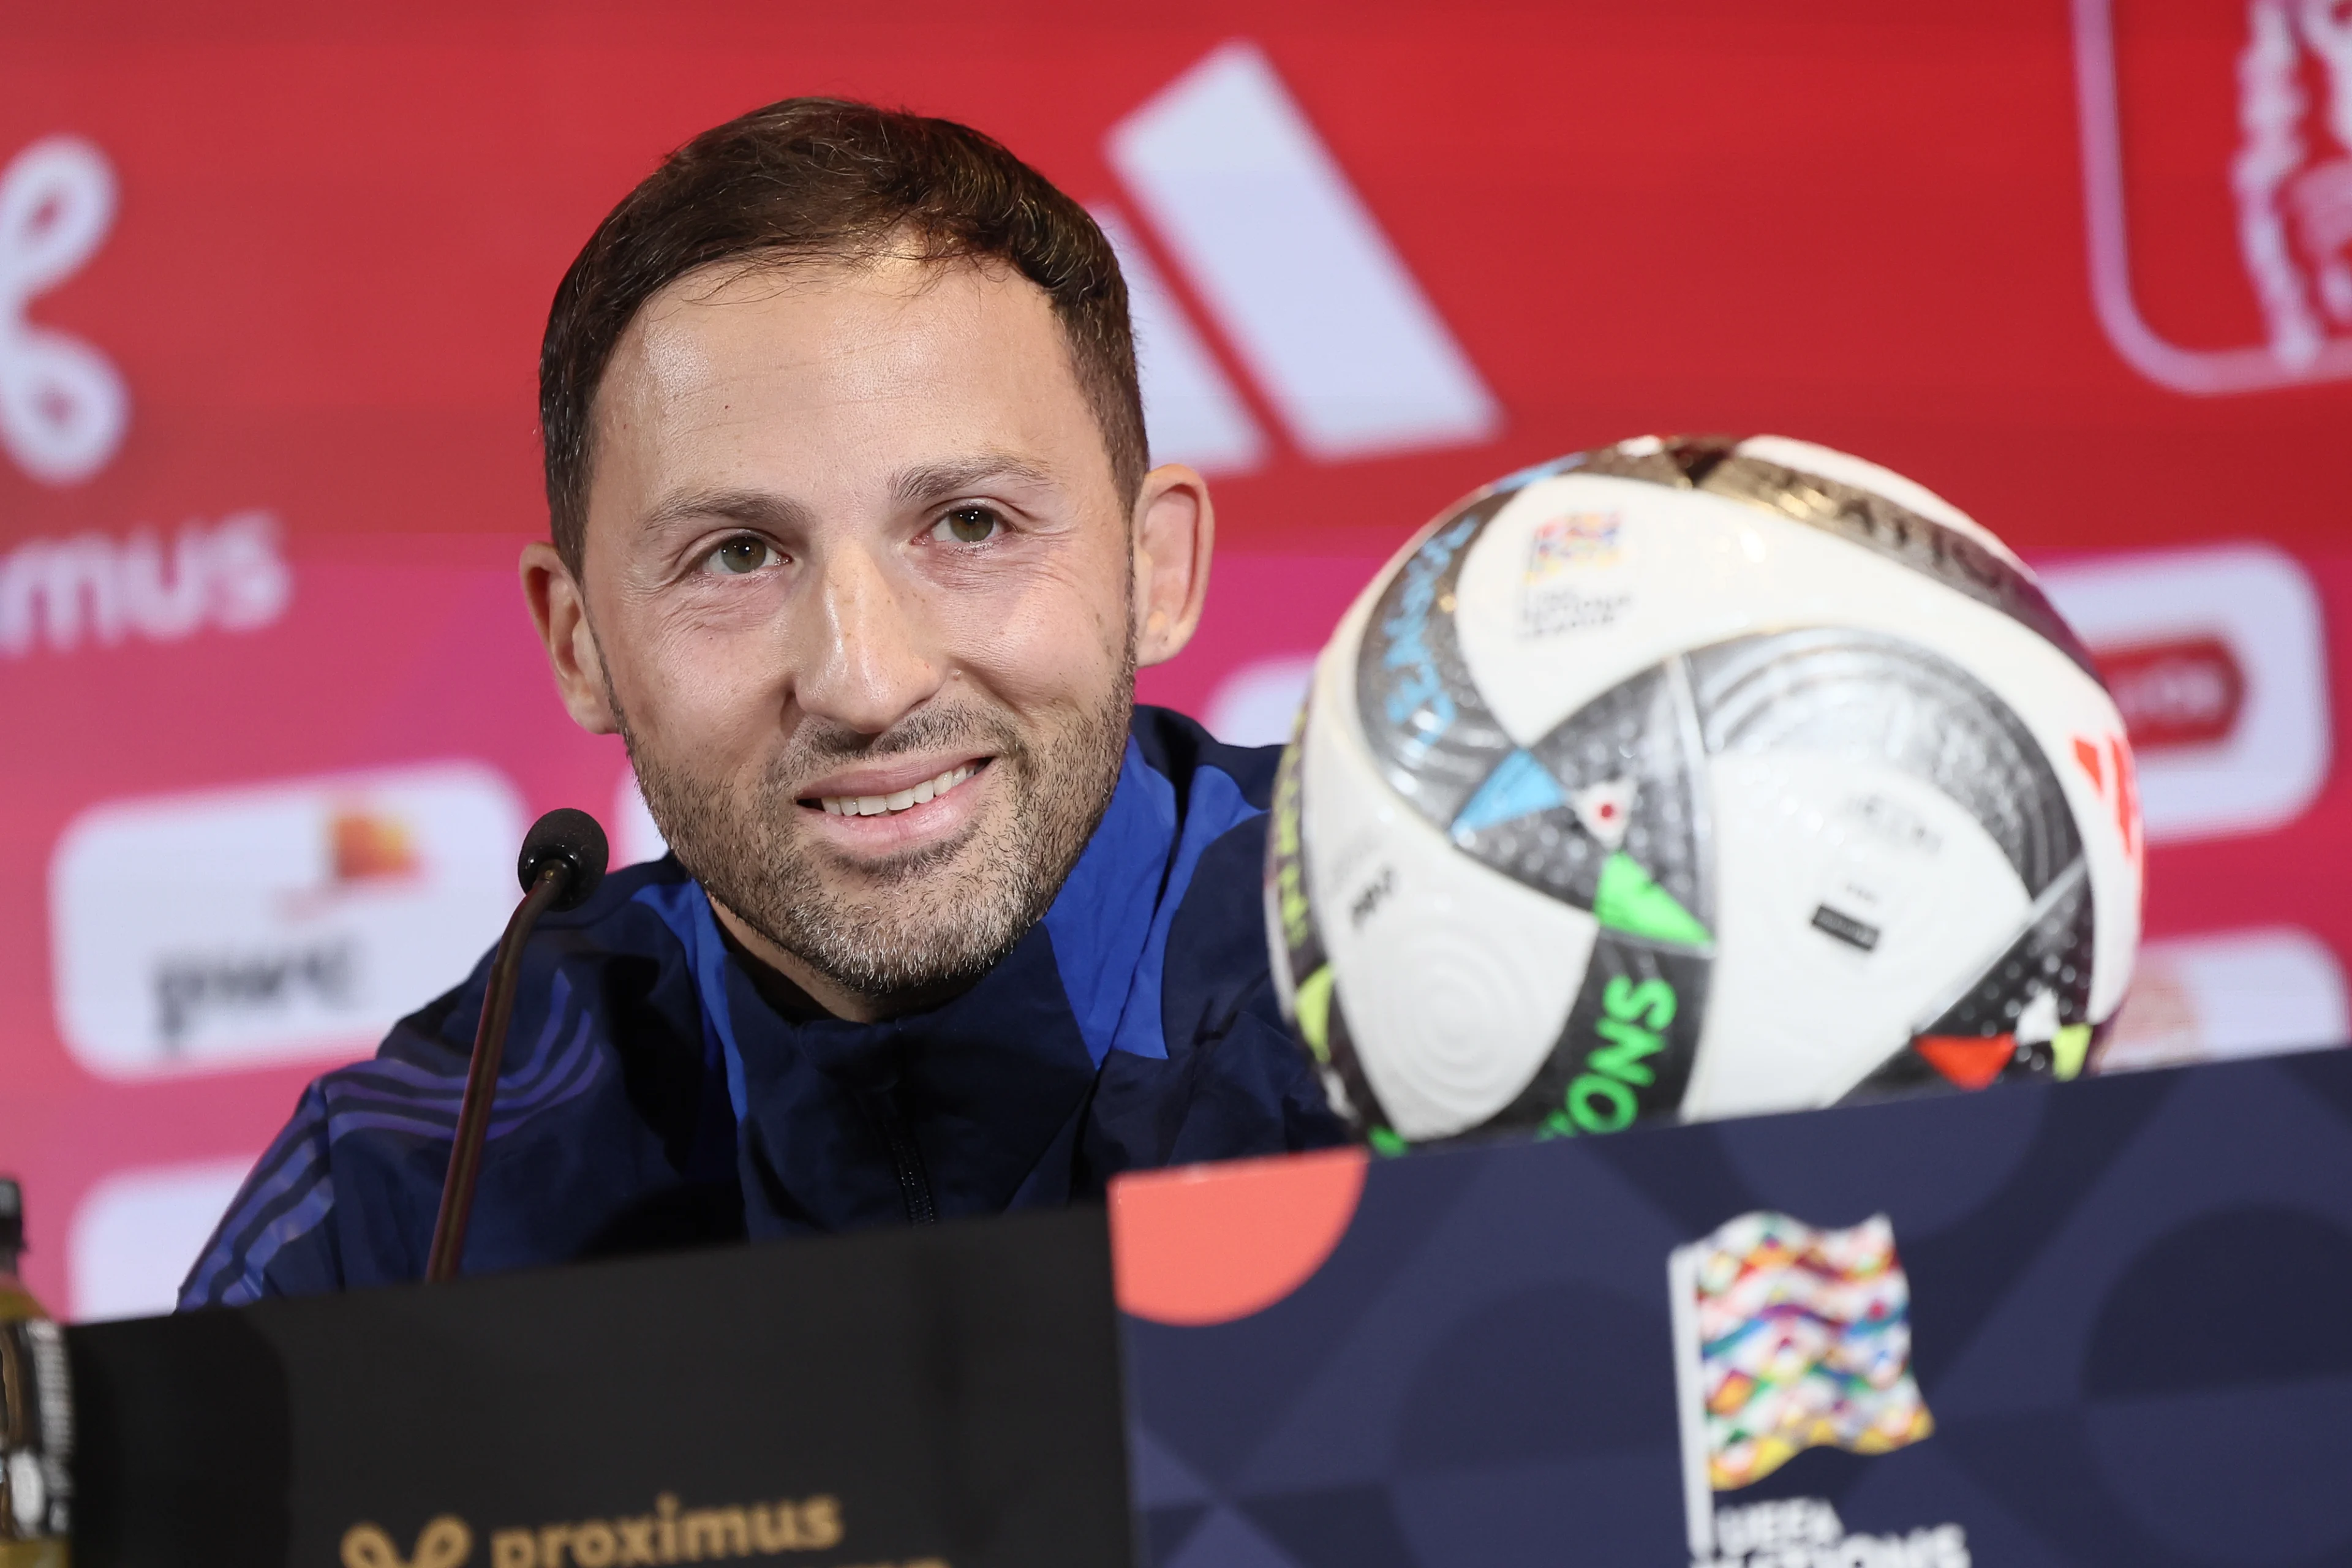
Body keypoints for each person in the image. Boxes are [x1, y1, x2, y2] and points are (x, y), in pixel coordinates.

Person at [179, 98, 1343, 1306]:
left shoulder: (1458, 981)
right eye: (737, 555)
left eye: (969, 524)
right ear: (578, 643)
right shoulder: (412, 1205)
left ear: (1156, 568)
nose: (865, 679)